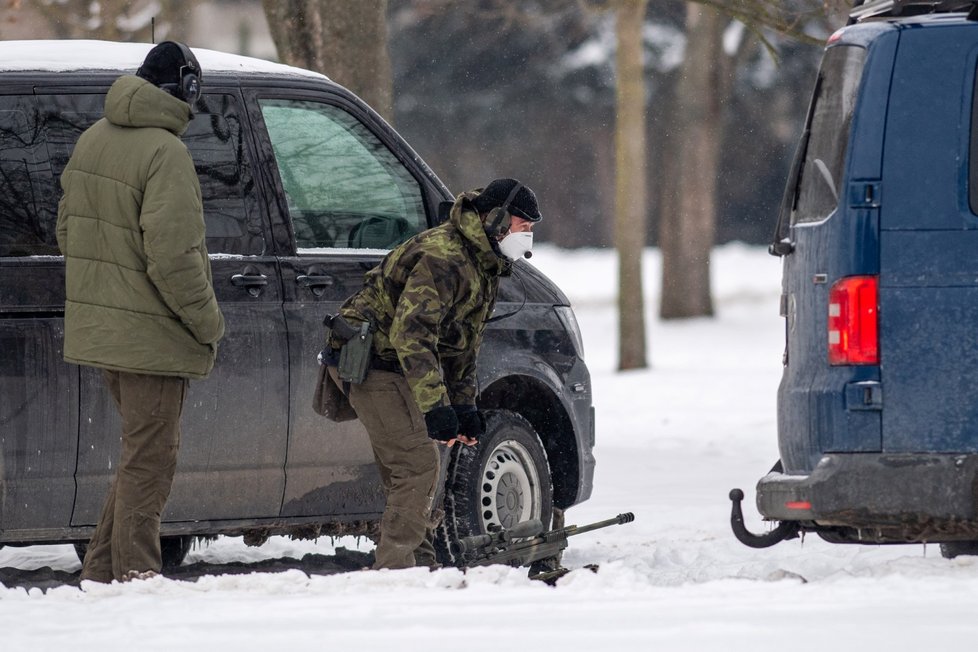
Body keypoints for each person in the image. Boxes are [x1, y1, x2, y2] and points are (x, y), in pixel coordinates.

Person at [56, 41, 224, 583]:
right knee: (151, 461)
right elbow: (174, 256)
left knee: (137, 456)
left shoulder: (92, 140)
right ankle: (137, 578)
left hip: (107, 332)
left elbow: (67, 233)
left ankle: (103, 572)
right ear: (184, 90)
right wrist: (207, 322)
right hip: (153, 336)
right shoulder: (165, 153)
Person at [325, 178, 542, 570]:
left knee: (417, 469)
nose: (527, 235)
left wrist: (462, 404)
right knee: (417, 464)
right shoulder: (443, 257)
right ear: (494, 219)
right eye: (522, 225)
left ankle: (420, 567)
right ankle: (395, 569)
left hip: (401, 363)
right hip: (372, 360)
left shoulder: (484, 263)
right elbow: (412, 334)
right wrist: (435, 408)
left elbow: (462, 345)